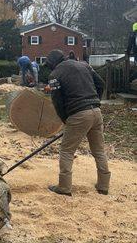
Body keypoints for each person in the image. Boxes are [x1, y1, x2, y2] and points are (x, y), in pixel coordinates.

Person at [46, 49, 110, 196]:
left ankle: (64, 187)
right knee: (98, 150)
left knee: (67, 151)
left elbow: (57, 101)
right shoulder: (84, 65)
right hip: (96, 112)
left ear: (52, 63)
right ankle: (103, 185)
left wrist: (66, 119)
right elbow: (100, 84)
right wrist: (95, 101)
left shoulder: (55, 75)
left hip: (78, 114)